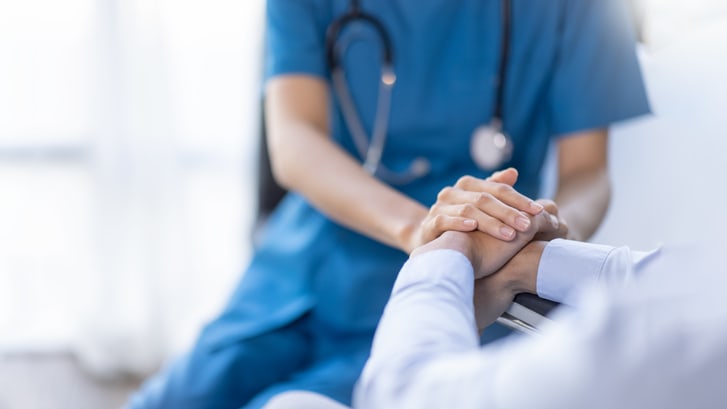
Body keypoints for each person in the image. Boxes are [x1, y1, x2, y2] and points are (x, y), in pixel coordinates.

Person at [126, 0, 650, 408]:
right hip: (314, 258)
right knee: (172, 400)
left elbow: (587, 174)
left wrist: (545, 232)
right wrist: (422, 230)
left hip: (471, 281)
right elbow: (294, 142)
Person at [262, 229, 726, 409]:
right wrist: (532, 261)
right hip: (323, 258)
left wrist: (444, 251)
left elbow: (400, 396)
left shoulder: (659, 345)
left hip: (432, 291)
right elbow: (680, 275)